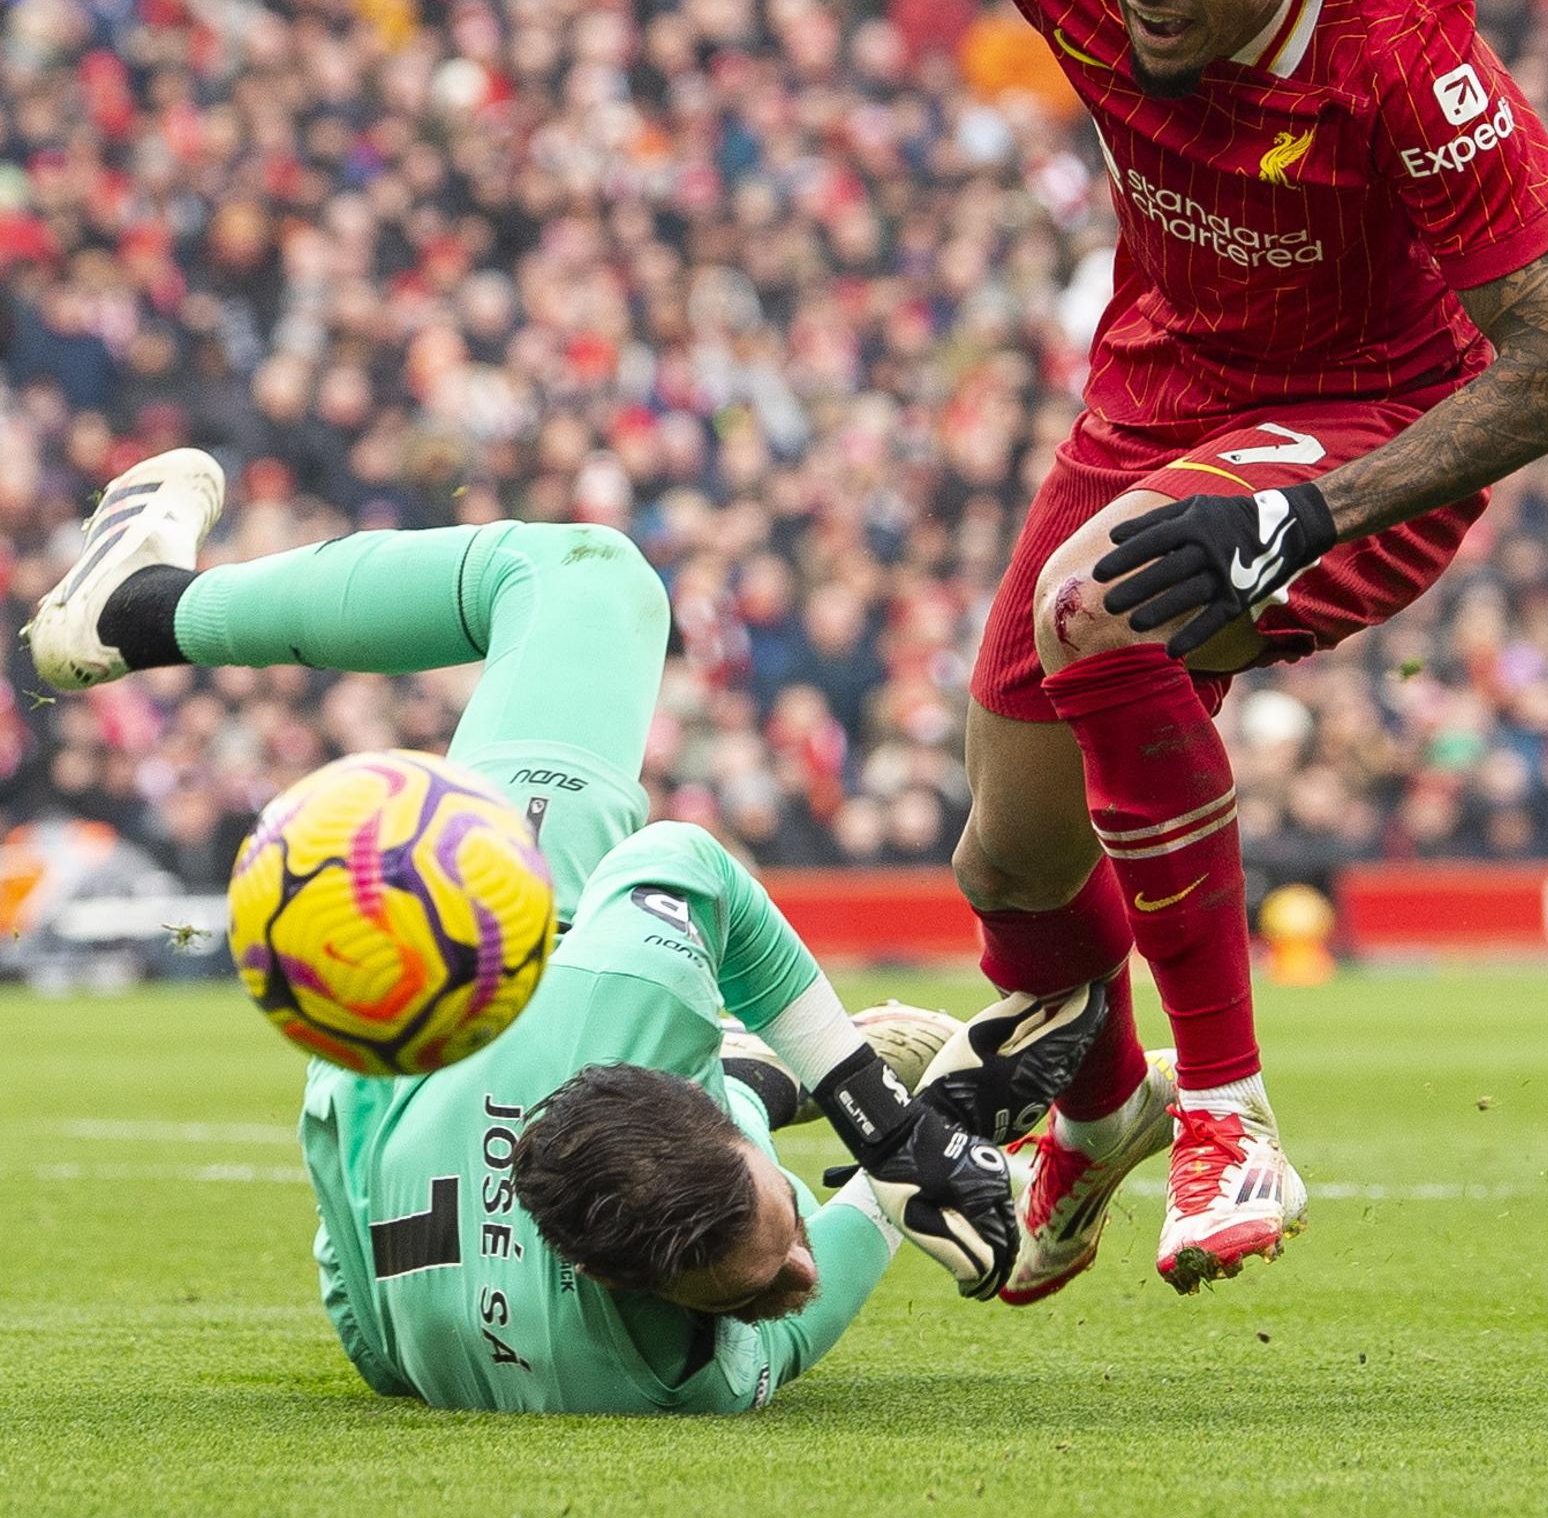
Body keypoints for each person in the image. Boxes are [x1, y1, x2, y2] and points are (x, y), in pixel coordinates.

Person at [645, 0, 1548, 1302]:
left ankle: (1231, 1114)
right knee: (1005, 862)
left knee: (1094, 605)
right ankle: (1103, 1112)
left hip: (1374, 425)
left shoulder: (1407, 51)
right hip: (1155, 401)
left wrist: (1308, 512)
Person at [29, 449, 1106, 1413]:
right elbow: (353, 1272)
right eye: (779, 1247)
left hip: (482, 940)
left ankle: (140, 607)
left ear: (610, 1274)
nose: (800, 1275)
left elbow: (687, 862)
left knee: (586, 577)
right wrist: (935, 1110)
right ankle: (746, 1071)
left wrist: (881, 1119)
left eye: (767, 1263)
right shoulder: (688, 1373)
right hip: (392, 1227)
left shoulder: (613, 1007)